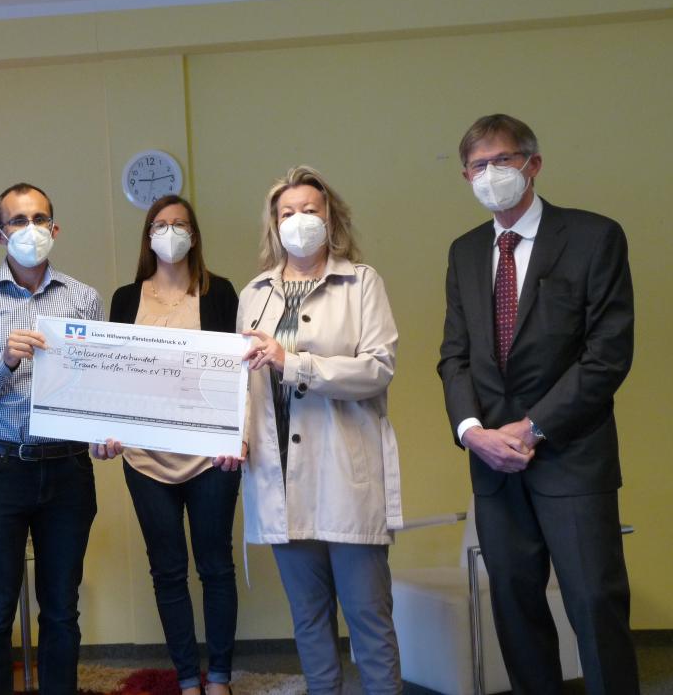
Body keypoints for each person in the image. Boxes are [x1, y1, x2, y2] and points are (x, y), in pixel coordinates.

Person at [438, 113, 638, 694]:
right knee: (515, 608)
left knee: (595, 604)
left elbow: (607, 356)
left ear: (533, 164)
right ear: (465, 176)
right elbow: (454, 357)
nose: (491, 174)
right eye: (478, 165)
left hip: (572, 456)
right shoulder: (464, 251)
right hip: (493, 465)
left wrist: (533, 427)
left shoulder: (594, 237)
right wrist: (472, 431)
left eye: (503, 160)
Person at [237, 166, 403, 695]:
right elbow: (242, 387)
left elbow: (377, 368)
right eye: (287, 212)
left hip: (345, 473)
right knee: (308, 619)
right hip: (279, 477)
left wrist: (294, 363)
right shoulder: (254, 294)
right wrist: (233, 437)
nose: (299, 220)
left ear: (331, 219)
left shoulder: (362, 282)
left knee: (368, 615)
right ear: (274, 223)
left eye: (310, 210)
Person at [0, 182, 102, 695]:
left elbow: (97, 387)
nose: (30, 229)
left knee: (61, 609)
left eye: (39, 219)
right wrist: (5, 361)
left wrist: (105, 432)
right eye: (17, 220)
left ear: (55, 228)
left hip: (67, 468)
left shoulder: (85, 298)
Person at [93, 195, 241, 695]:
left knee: (215, 566)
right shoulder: (125, 298)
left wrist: (237, 436)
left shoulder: (220, 292)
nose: (170, 232)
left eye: (179, 224)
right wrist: (105, 429)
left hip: (212, 456)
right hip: (144, 458)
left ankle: (218, 678)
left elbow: (239, 369)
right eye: (160, 224)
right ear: (148, 236)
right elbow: (113, 373)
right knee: (167, 570)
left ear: (193, 235)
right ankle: (187, 678)